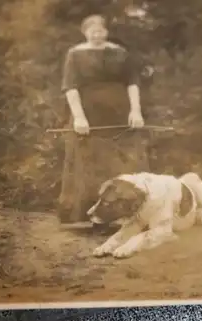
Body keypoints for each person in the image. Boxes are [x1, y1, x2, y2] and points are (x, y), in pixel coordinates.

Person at [58, 14, 150, 224]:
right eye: (92, 31)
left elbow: (132, 82)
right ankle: (86, 214)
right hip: (89, 115)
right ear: (85, 32)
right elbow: (70, 87)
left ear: (106, 32)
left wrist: (135, 111)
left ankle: (128, 214)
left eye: (100, 31)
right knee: (88, 161)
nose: (97, 35)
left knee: (123, 161)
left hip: (119, 113)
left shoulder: (120, 53)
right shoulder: (75, 54)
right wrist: (79, 118)